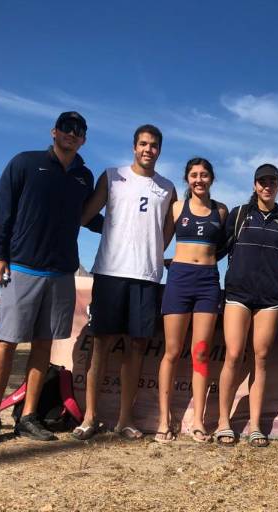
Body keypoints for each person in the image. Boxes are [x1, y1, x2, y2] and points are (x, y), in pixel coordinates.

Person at [0, 112, 103, 446]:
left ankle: (29, 416)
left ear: (84, 139)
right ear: (54, 131)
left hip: (62, 271)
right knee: (6, 341)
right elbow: (2, 210)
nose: (72, 134)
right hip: (23, 266)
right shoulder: (25, 163)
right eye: (66, 128)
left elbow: (87, 218)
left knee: (44, 345)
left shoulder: (83, 176)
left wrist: (126, 228)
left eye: (78, 131)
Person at [72, 124, 176, 442]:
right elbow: (84, 214)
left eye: (154, 145)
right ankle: (90, 417)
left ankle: (125, 419)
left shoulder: (167, 187)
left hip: (145, 276)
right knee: (101, 344)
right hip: (109, 272)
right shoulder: (112, 176)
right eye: (143, 144)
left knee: (137, 347)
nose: (148, 150)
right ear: (134, 147)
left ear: (159, 150)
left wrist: (153, 253)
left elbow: (168, 228)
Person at [215, 163, 278, 447]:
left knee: (261, 358)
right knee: (234, 354)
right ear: (254, 185)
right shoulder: (240, 215)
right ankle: (223, 422)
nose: (267, 186)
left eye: (272, 182)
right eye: (262, 181)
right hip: (238, 294)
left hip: (270, 299)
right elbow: (216, 249)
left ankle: (255, 426)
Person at [154, 157, 227, 443]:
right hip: (179, 280)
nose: (199, 180)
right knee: (171, 351)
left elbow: (222, 248)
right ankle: (164, 420)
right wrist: (172, 263)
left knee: (200, 352)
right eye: (194, 175)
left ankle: (198, 421)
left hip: (208, 281)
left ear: (211, 178)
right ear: (187, 179)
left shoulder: (221, 211)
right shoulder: (176, 208)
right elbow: (159, 243)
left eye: (204, 175)